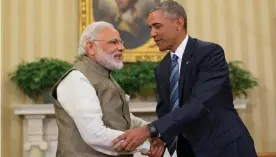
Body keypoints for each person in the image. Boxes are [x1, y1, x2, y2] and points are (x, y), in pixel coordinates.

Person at [111, 1, 258, 157]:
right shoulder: (162, 68)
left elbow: (199, 103)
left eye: (157, 26)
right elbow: (165, 111)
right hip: (188, 151)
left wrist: (150, 129)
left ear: (178, 23)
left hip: (224, 148)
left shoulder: (209, 53)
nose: (152, 33)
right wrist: (162, 137)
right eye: (151, 28)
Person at [51, 21, 150, 157]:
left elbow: (121, 118)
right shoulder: (77, 79)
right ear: (91, 47)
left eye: (121, 42)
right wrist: (146, 146)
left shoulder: (104, 75)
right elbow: (95, 134)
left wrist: (152, 131)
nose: (121, 47)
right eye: (114, 42)